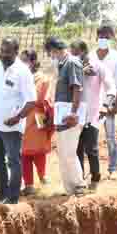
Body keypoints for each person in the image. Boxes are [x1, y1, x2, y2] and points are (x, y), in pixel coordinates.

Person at [0, 37, 36, 205]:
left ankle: (12, 198)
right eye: (2, 51)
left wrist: (18, 117)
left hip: (12, 127)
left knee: (13, 161)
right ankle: (2, 192)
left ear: (16, 52)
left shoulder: (22, 71)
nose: (3, 54)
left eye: (7, 51)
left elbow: (31, 101)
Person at [44, 37, 86, 196]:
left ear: (54, 50)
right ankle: (70, 189)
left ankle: (79, 186)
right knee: (62, 153)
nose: (50, 56)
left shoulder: (72, 63)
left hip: (70, 114)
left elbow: (77, 89)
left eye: (50, 53)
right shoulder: (62, 65)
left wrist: (74, 113)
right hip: (62, 114)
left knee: (69, 152)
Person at [72, 40, 116, 190]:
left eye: (76, 53)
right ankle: (80, 181)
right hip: (75, 114)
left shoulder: (98, 66)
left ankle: (95, 178)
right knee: (77, 148)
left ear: (84, 51)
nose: (74, 56)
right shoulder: (72, 67)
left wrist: (106, 105)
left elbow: (111, 87)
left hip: (93, 113)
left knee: (91, 148)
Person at [19, 50, 52, 197]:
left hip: (38, 116)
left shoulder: (42, 79)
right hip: (25, 116)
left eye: (25, 60)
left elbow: (42, 100)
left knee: (37, 150)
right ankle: (30, 184)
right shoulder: (21, 77)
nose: (22, 63)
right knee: (25, 152)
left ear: (33, 62)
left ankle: (41, 178)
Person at [96, 24, 117, 177]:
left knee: (110, 137)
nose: (103, 39)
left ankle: (113, 168)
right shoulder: (90, 56)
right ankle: (93, 171)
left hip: (109, 101)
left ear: (112, 38)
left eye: (107, 37)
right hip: (93, 102)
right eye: (101, 36)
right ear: (97, 37)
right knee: (90, 138)